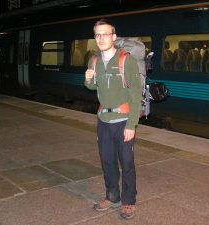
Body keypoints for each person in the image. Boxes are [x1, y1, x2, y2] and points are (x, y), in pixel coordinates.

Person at [84, 18, 142, 220]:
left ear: (114, 37)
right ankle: (112, 196)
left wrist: (131, 125)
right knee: (107, 161)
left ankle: (128, 201)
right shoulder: (94, 60)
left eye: (105, 34)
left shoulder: (127, 61)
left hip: (123, 121)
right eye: (97, 34)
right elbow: (93, 87)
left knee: (127, 163)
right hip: (103, 120)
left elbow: (136, 96)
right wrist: (88, 79)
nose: (101, 38)